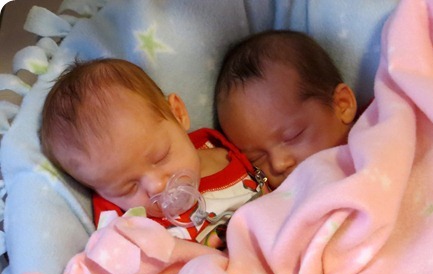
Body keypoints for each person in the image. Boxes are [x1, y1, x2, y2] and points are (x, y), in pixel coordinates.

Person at [39, 58, 266, 250]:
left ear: (178, 114)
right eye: (127, 187)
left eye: (160, 157)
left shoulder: (219, 148)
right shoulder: (126, 226)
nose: (157, 186)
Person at [214, 30, 359, 190]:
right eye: (256, 158)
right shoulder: (275, 199)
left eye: (293, 136)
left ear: (342, 104)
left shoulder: (377, 136)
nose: (278, 164)